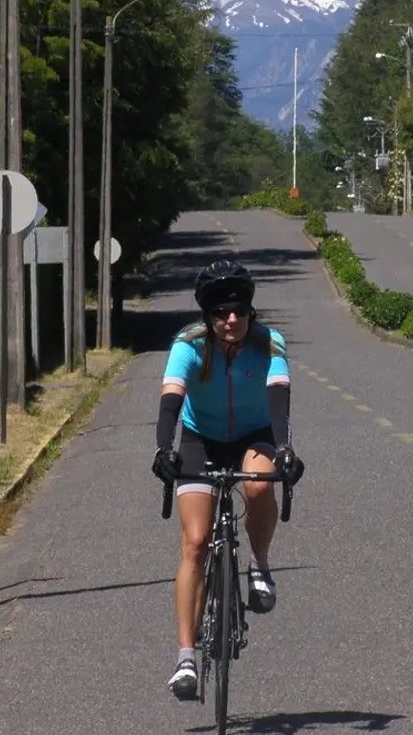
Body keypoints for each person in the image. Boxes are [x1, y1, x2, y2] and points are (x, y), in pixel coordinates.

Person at [151, 259, 306, 701]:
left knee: (259, 484)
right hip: (201, 438)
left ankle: (259, 565)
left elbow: (280, 402)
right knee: (195, 543)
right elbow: (170, 403)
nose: (231, 320)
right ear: (208, 317)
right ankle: (185, 657)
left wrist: (286, 451)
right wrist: (164, 450)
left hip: (256, 434)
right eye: (221, 313)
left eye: (239, 310)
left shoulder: (269, 342)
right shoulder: (188, 345)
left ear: (250, 311)